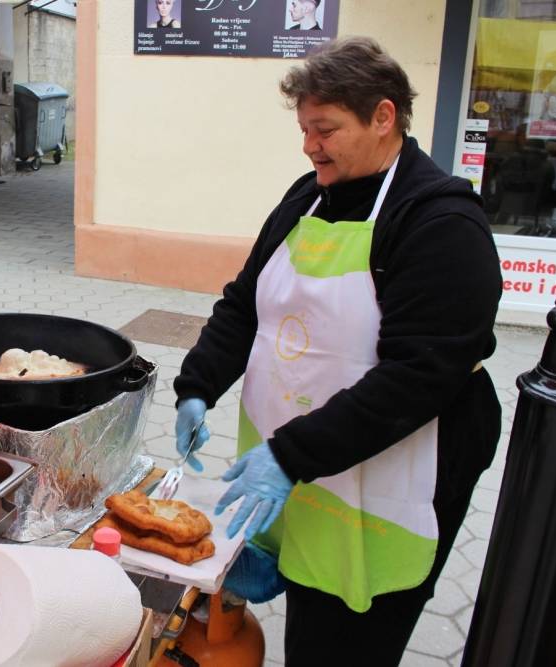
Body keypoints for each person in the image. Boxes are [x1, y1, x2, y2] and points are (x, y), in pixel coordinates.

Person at [173, 37, 502, 665]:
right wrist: (197, 385)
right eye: (304, 129)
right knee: (307, 586)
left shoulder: (441, 224)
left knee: (346, 632)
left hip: (401, 458)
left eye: (324, 129)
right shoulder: (309, 195)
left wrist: (291, 454)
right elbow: (246, 303)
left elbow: (418, 376)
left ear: (383, 117)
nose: (309, 145)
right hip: (304, 456)